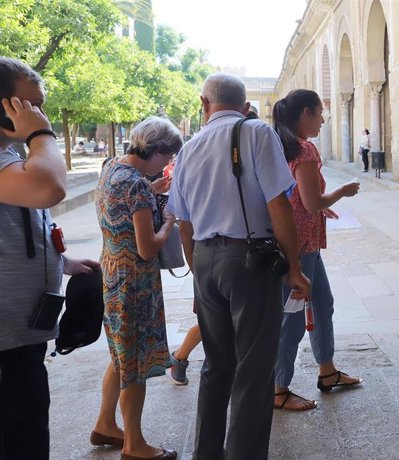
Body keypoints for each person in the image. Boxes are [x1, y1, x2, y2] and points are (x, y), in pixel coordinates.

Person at [167, 73, 310, 460]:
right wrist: (294, 266)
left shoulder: (188, 148)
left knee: (217, 364)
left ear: (204, 103)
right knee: (253, 368)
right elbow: (278, 205)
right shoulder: (256, 133)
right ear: (244, 104)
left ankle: (207, 453)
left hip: (205, 258)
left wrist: (199, 271)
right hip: (249, 261)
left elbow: (183, 221)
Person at [0, 56, 99, 460]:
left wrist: (64, 263)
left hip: (21, 336)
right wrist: (41, 134)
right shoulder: (28, 152)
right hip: (5, 343)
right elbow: (48, 187)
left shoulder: (10, 156)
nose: (39, 113)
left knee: (28, 429)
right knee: (18, 440)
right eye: (30, 105)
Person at [91, 116, 183, 460]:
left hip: (112, 275)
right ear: (156, 150)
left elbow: (125, 206)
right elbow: (148, 247)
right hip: (135, 284)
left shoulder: (113, 168)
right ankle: (135, 444)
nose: (169, 163)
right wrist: (170, 221)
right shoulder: (138, 186)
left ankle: (105, 424)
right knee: (134, 363)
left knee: (119, 356)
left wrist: (151, 191)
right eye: (169, 155)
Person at [271, 89, 362, 411]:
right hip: (300, 246)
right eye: (320, 113)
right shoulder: (304, 150)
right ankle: (278, 388)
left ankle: (327, 371)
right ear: (305, 113)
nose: (323, 119)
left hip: (299, 242)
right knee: (294, 319)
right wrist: (341, 192)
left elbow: (295, 199)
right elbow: (311, 203)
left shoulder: (280, 146)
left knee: (322, 304)